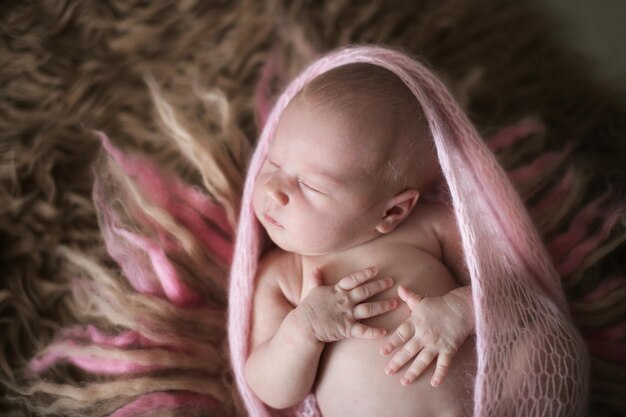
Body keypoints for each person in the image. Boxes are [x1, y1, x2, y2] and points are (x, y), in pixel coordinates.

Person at [244, 62, 476, 417]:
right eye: (273, 163)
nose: (273, 189)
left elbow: (511, 297)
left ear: (391, 213)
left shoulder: (432, 227)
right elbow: (270, 390)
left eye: (311, 184)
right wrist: (301, 332)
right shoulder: (282, 274)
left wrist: (461, 310)